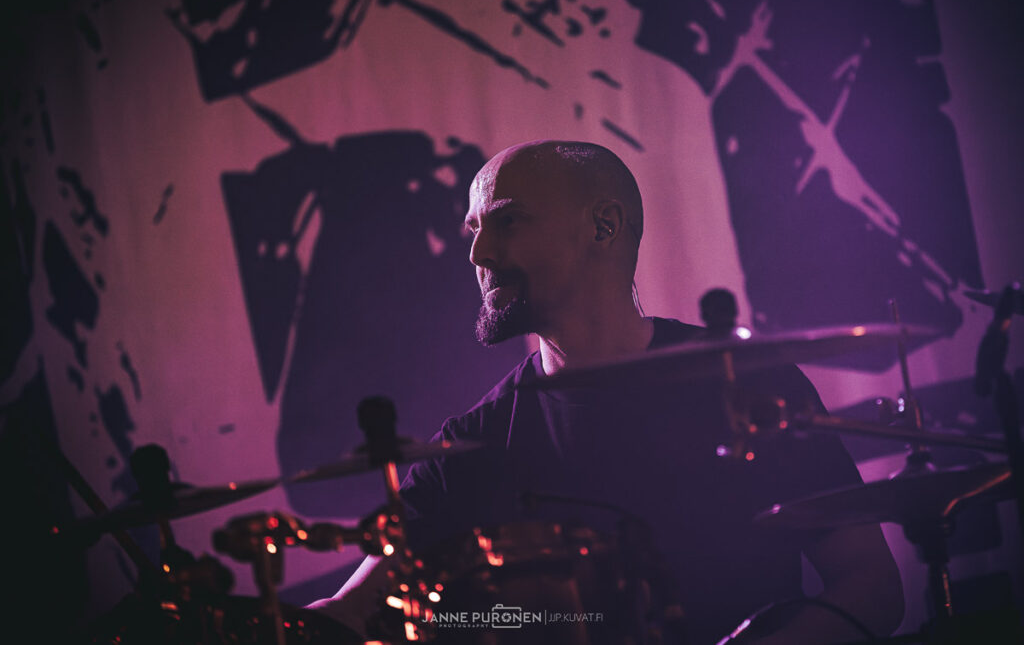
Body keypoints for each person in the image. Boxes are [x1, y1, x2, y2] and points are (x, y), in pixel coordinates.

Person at [310, 140, 904, 643]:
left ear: (604, 226)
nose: (479, 253)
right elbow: (350, 614)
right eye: (474, 228)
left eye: (507, 220)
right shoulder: (468, 448)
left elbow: (871, 587)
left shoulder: (749, 384)